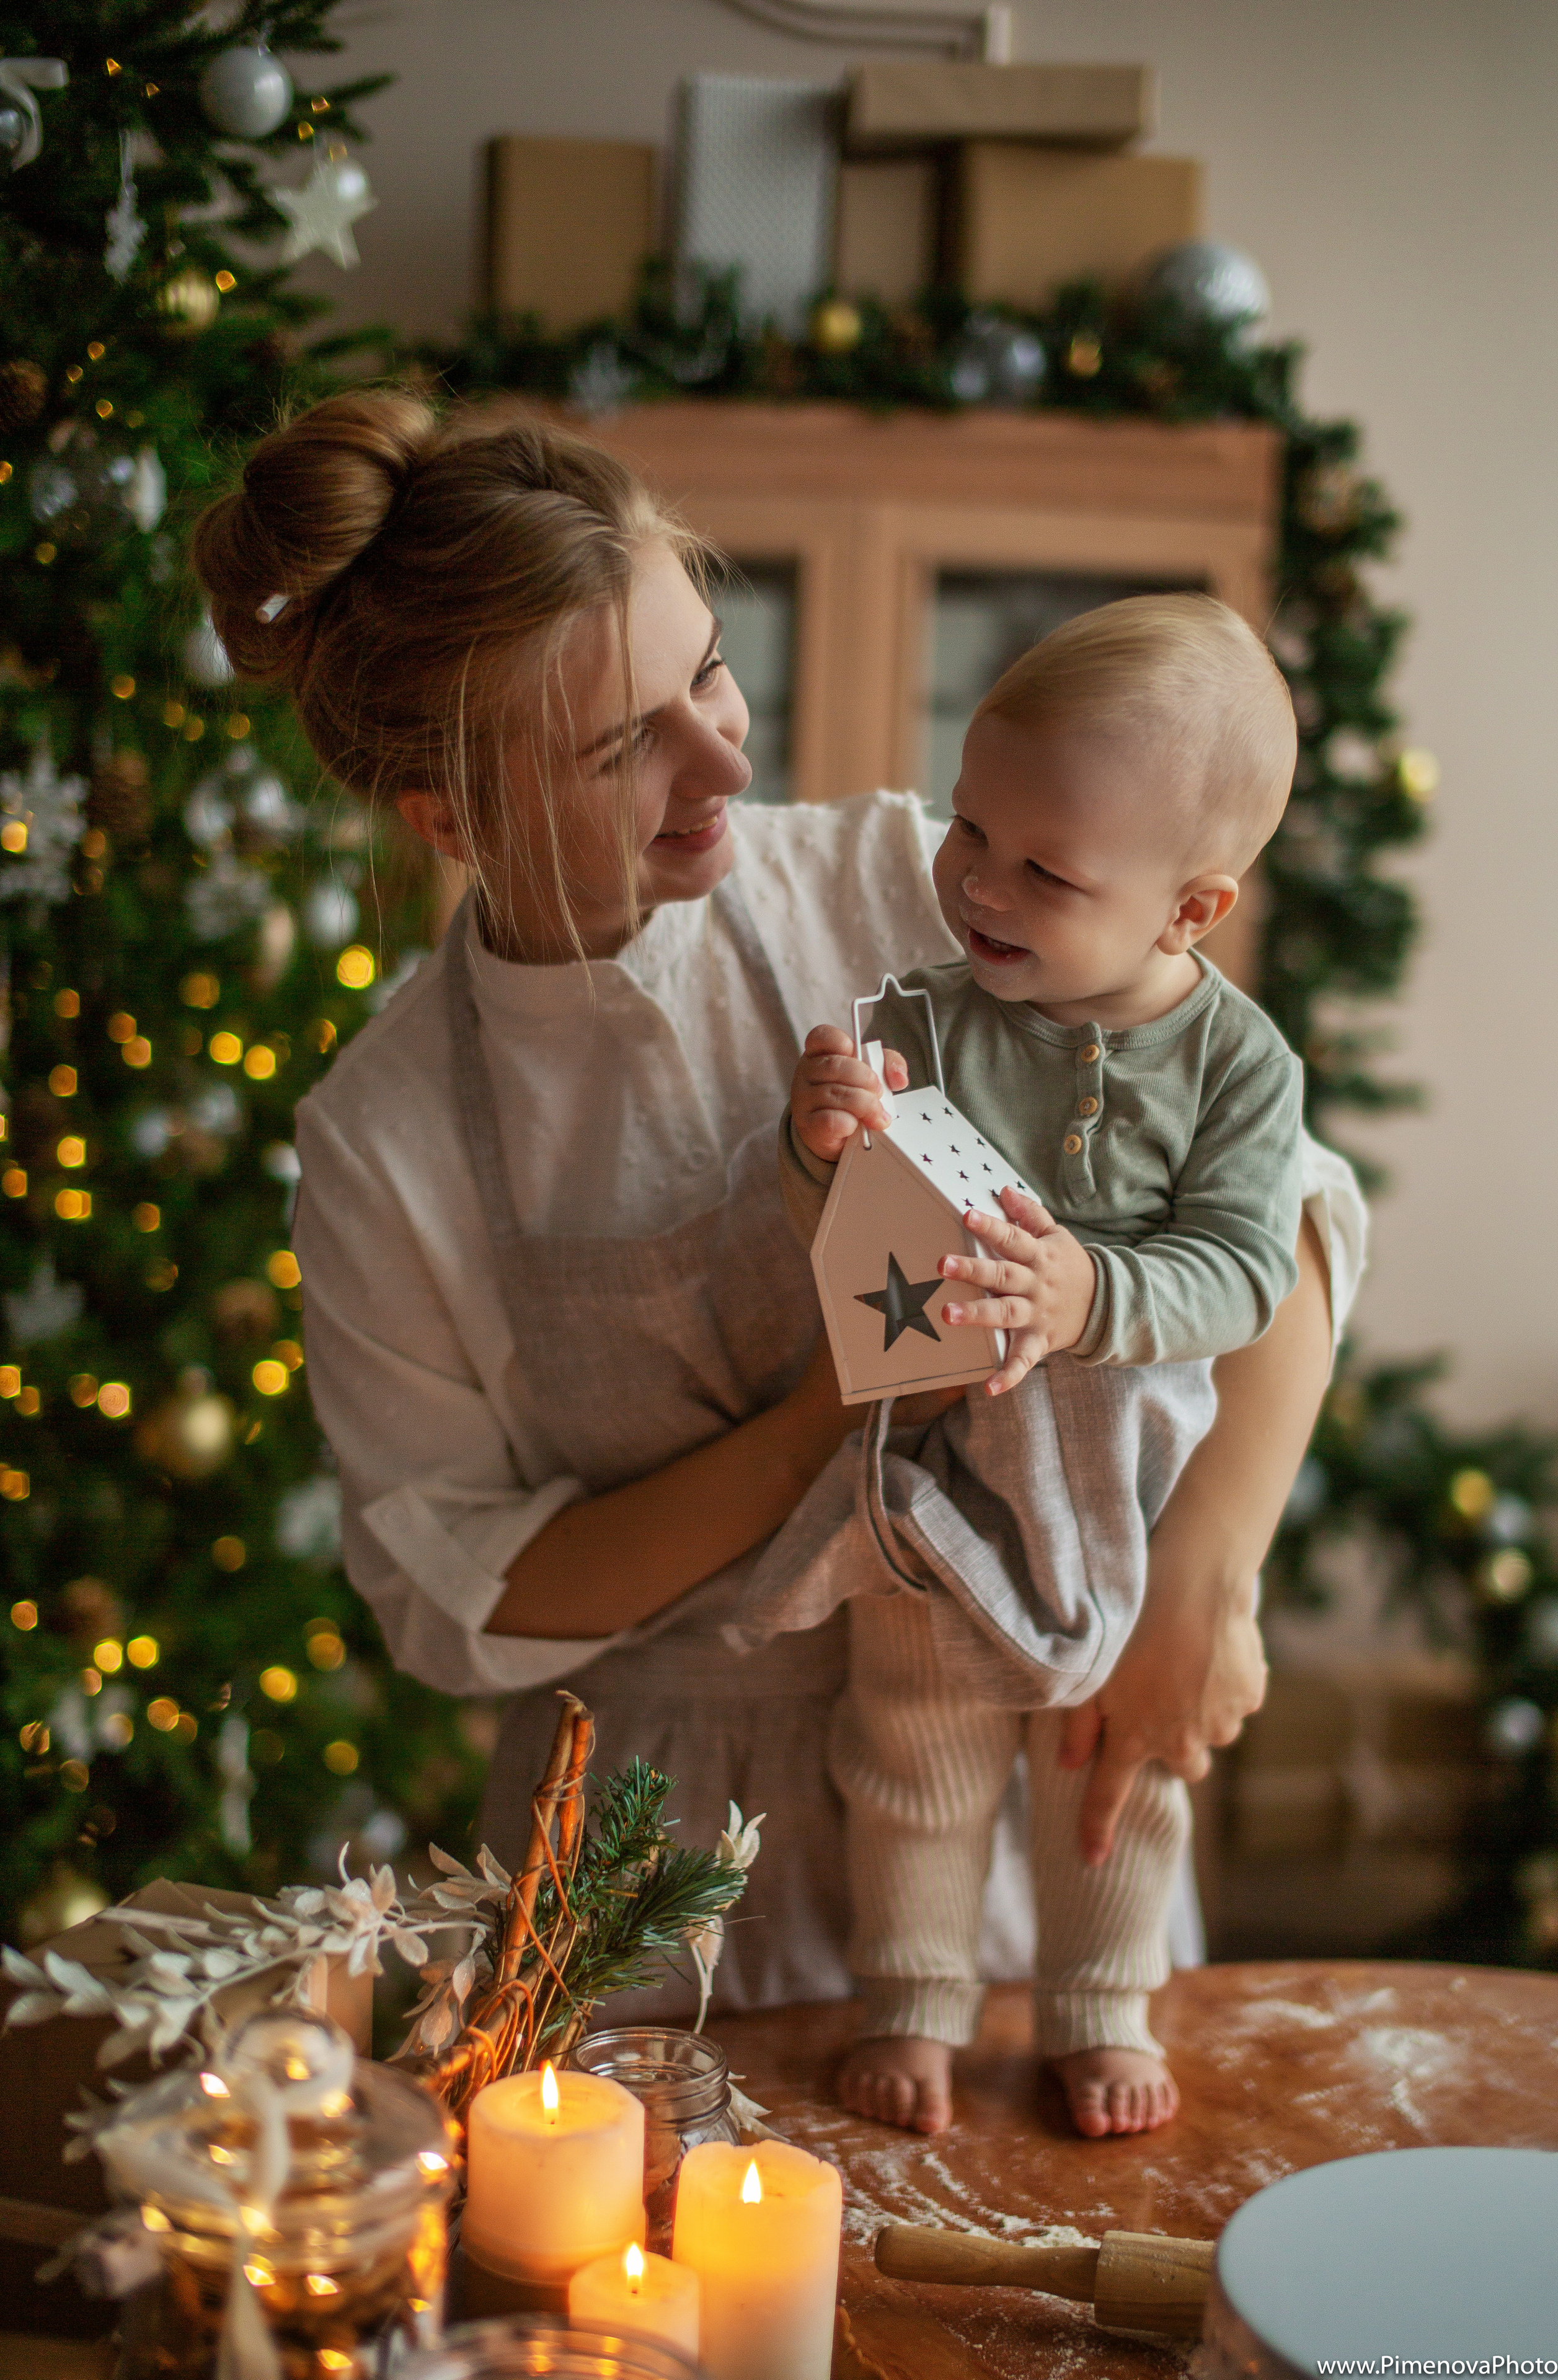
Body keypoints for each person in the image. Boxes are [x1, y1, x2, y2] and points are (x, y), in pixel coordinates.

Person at [192, 392, 1366, 2117]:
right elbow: (476, 1588)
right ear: (450, 819)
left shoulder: (918, 882)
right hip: (657, 1860)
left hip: (1037, 1762)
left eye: (712, 673)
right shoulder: (388, 1144)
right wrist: (841, 1395)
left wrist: (1206, 1575)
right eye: (621, 749)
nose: (730, 763)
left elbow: (1297, 1211)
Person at [761, 595, 1307, 2140]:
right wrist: (816, 1149)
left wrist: (1090, 1288)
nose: (978, 885)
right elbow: (848, 1234)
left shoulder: (1235, 1064)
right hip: (938, 1470)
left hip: (1122, 1488)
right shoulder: (921, 1018)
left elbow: (1252, 1271)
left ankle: (1095, 2008)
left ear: (1187, 913)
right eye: (966, 830)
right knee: (913, 1757)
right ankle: (911, 2000)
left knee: (1109, 1771)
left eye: (1044, 871)